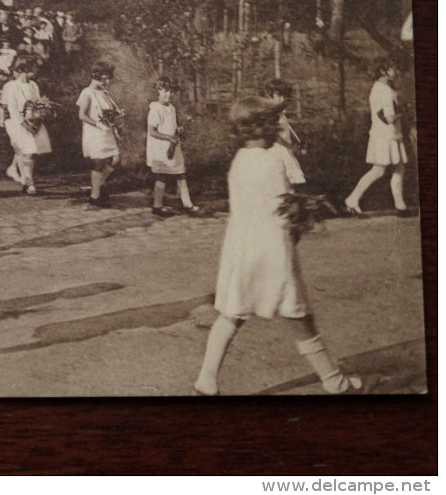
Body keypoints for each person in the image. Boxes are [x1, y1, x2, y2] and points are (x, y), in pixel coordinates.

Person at [194, 97, 362, 396]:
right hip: (273, 248)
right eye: (274, 121)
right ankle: (335, 383)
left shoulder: (240, 160)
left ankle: (206, 381)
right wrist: (301, 223)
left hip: (243, 247)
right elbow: (286, 210)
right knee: (299, 316)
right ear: (264, 127)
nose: (279, 126)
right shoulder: (274, 159)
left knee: (233, 313)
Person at [343, 59, 411, 216]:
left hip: (388, 135)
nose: (396, 71)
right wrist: (404, 110)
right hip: (385, 136)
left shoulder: (379, 88)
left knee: (399, 168)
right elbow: (388, 118)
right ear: (383, 71)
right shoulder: (384, 90)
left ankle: (400, 206)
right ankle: (351, 200)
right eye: (392, 68)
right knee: (379, 170)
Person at [147, 77, 199, 216]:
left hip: (173, 146)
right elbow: (152, 131)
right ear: (157, 92)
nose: (168, 95)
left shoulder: (172, 108)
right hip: (161, 148)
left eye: (170, 91)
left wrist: (178, 129)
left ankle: (187, 204)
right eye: (164, 91)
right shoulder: (155, 109)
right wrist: (169, 137)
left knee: (180, 173)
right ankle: (157, 206)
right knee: (162, 176)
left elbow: (172, 127)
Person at [2, 56, 52, 195]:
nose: (36, 71)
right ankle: (29, 183)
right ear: (25, 69)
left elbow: (36, 102)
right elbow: (12, 108)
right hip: (21, 124)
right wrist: (25, 124)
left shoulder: (33, 85)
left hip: (34, 122)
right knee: (27, 152)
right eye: (34, 68)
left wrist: (42, 111)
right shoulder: (14, 87)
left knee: (32, 152)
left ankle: (26, 180)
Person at [76, 62, 121, 208]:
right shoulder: (87, 92)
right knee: (99, 163)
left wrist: (116, 121)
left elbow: (110, 113)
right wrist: (97, 124)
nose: (108, 81)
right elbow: (82, 115)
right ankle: (95, 196)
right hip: (94, 132)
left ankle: (98, 184)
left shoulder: (104, 93)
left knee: (115, 159)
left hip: (107, 132)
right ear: (98, 76)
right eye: (106, 78)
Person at [263, 78, 306, 187]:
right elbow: (273, 134)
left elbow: (285, 132)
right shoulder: (270, 113)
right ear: (269, 95)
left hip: (285, 149)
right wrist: (289, 146)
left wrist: (294, 146)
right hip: (276, 151)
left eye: (284, 96)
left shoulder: (279, 112)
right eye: (278, 96)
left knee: (287, 184)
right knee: (279, 182)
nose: (282, 99)